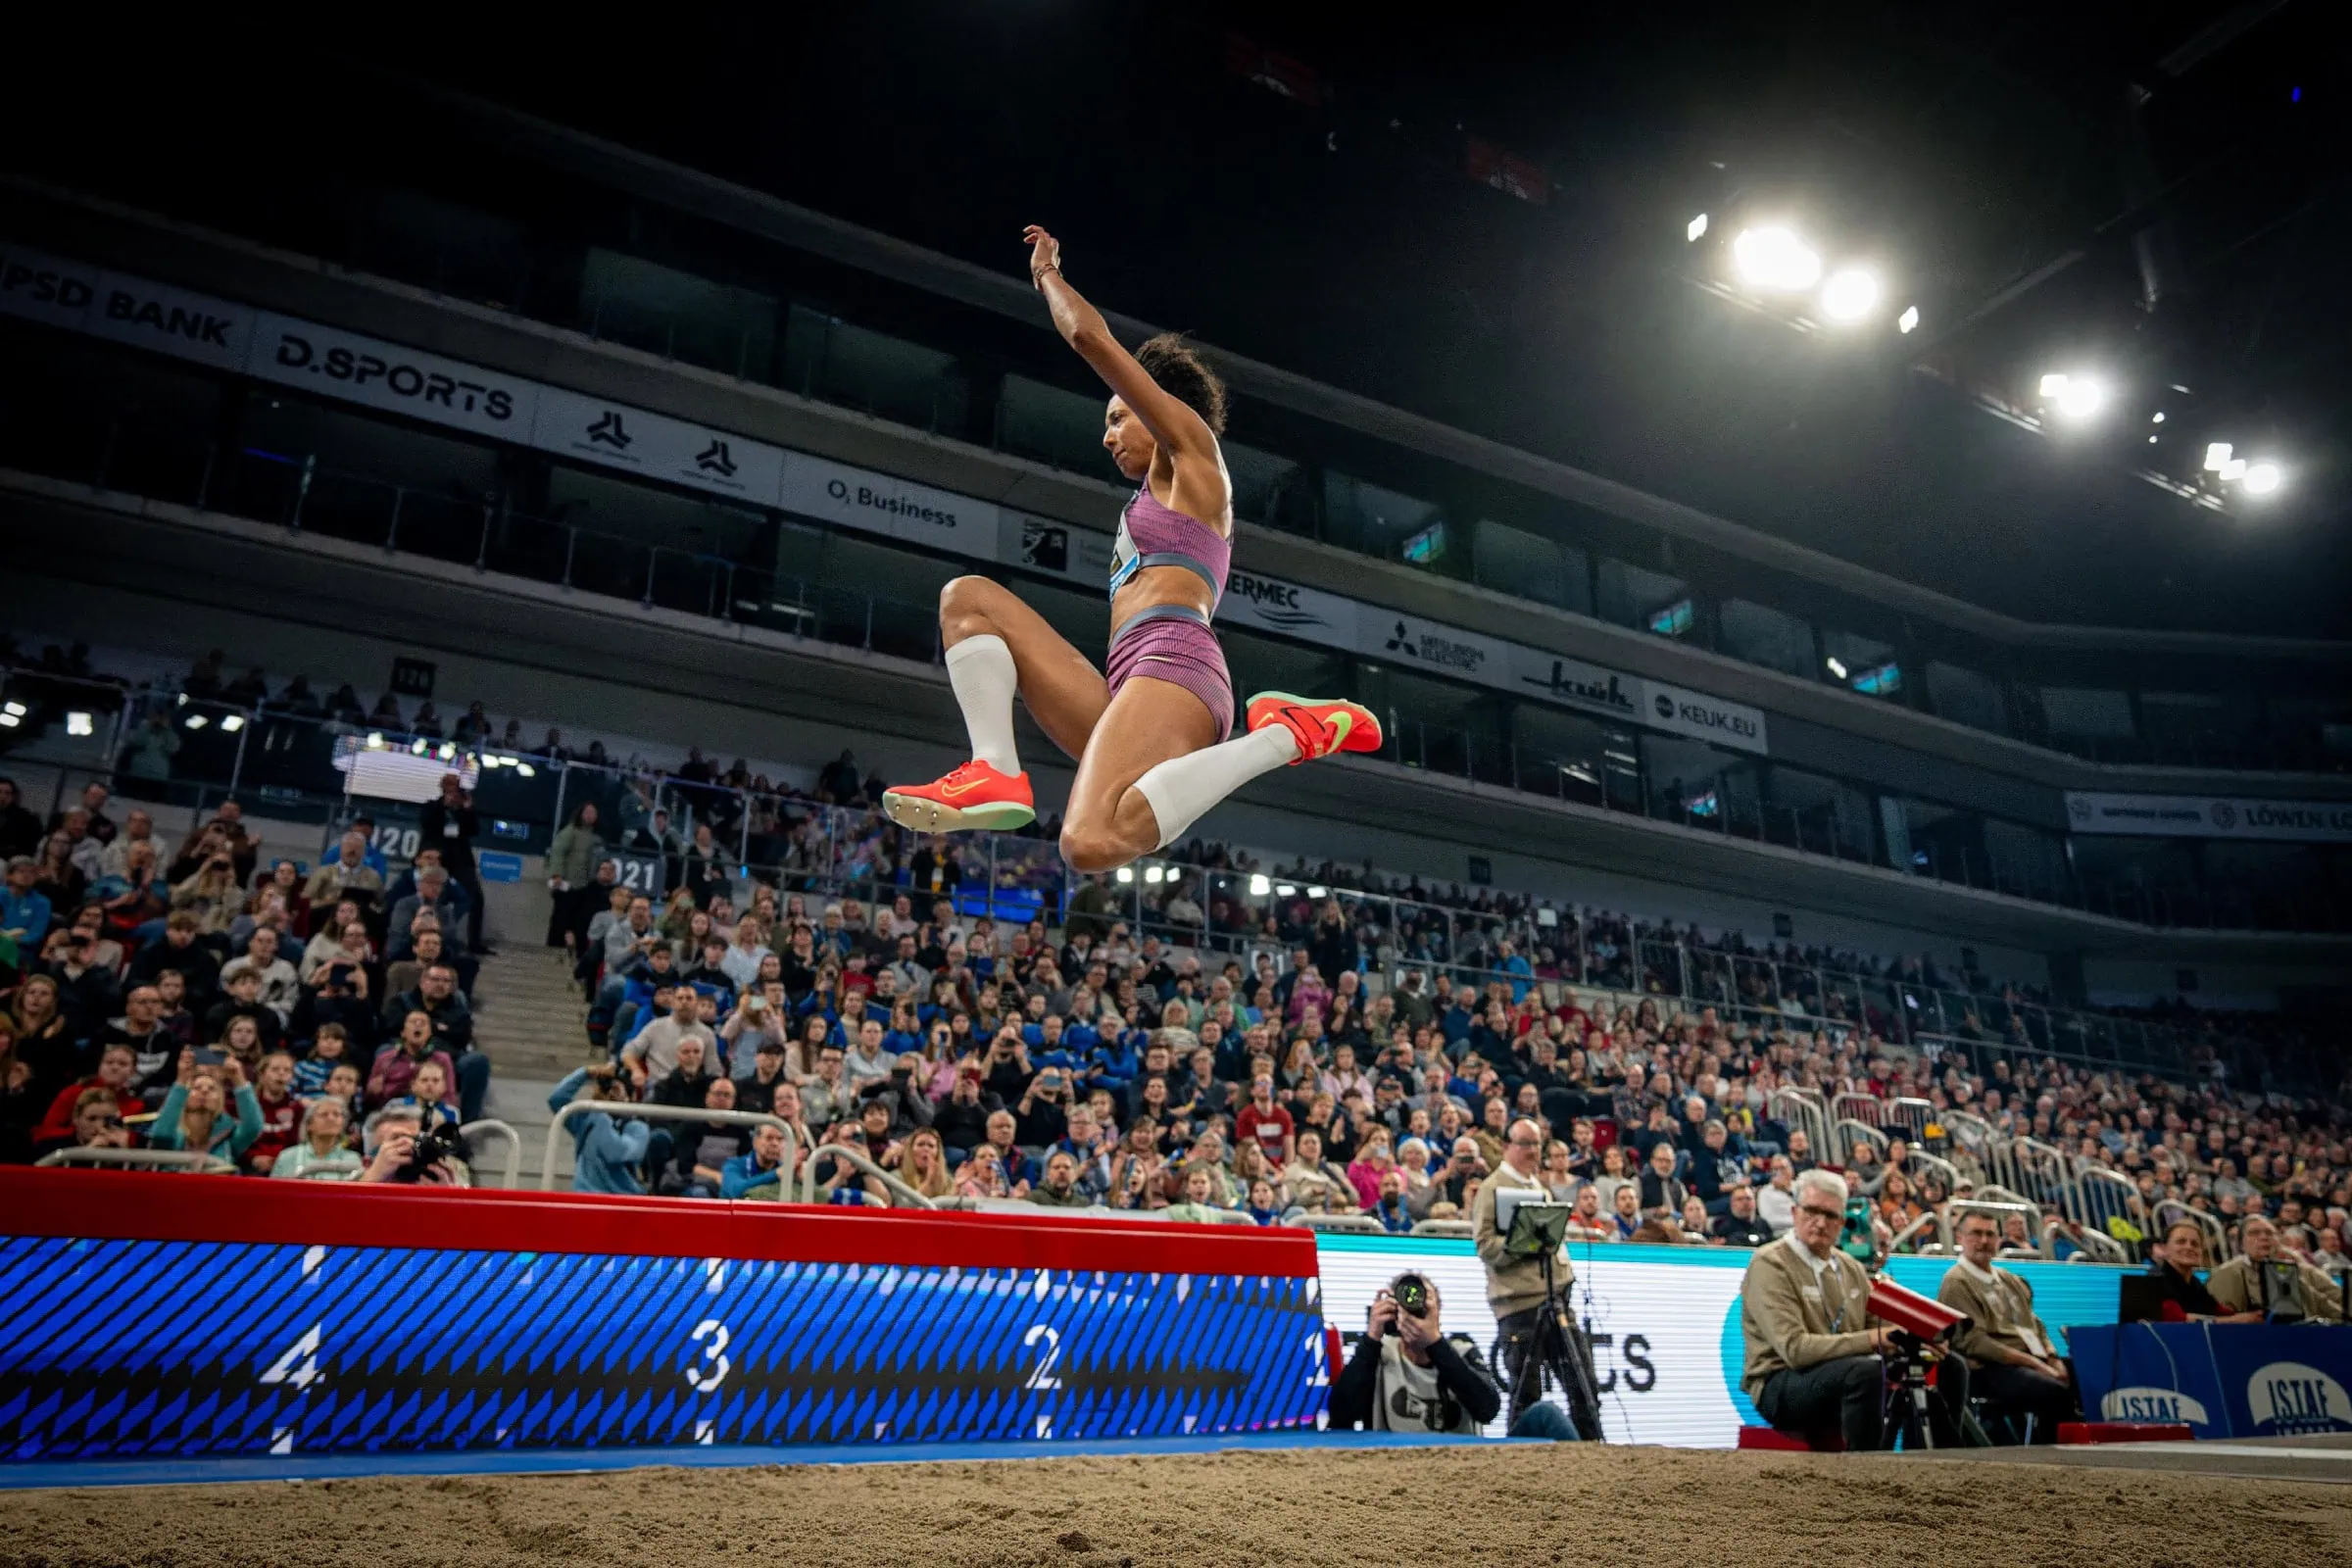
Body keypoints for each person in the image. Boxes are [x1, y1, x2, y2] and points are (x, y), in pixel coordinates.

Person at [881, 225, 1380, 867]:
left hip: (1177, 667)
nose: (1107, 436)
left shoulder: (1192, 456)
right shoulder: (1145, 500)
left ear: (1158, 406)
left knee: (1090, 841)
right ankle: (995, 769)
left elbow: (1089, 338)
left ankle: (1287, 735)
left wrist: (1048, 279)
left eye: (1118, 417)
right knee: (969, 599)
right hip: (1130, 683)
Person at [1740, 1169, 1968, 1450]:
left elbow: (1878, 1326)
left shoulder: (1849, 1266)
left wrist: (1914, 1340)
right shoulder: (1770, 1263)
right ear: (1794, 1211)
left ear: (1842, 1222)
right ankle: (1864, 1475)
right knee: (1865, 1372)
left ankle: (1933, 1468)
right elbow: (1795, 1350)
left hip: (1844, 1369)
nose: (1821, 1222)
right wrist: (1877, 1339)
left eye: (1832, 1215)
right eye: (1811, 1211)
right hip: (1779, 1382)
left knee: (1950, 1365)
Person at [1471, 1117, 1601, 1440]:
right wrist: (1523, 1244)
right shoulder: (1491, 1188)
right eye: (1526, 1144)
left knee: (1583, 1383)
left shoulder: (1537, 1185)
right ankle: (1521, 1460)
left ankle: (1592, 1453)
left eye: (1537, 1144)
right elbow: (1485, 1246)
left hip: (1555, 1297)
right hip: (1519, 1305)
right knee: (1525, 1391)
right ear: (1508, 1146)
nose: (1533, 1151)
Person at [1938, 1209, 2080, 1443]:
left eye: (1990, 1234)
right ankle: (2050, 1460)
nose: (1983, 1241)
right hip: (1989, 1368)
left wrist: (2053, 1357)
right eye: (1976, 1233)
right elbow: (1976, 1343)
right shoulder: (1956, 1282)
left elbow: (2036, 1324)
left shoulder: (2008, 1279)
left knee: (2085, 1375)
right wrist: (2035, 1363)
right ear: (1959, 1237)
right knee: (2053, 1392)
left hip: (2031, 1360)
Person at [1328, 1274, 1527, 1437]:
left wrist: (1435, 1343)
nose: (1416, 1305)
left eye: (1426, 1299)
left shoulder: (1462, 1351)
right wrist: (1371, 1339)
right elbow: (1341, 1416)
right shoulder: (1380, 1355)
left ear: (1438, 1310)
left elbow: (1488, 1410)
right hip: (1390, 1463)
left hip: (1460, 1465)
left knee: (1543, 1414)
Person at [2208, 1214, 2346, 1323]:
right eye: (2254, 1233)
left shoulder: (2303, 1270)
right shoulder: (2228, 1274)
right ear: (2241, 1244)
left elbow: (2339, 1299)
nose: (2263, 1237)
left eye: (2269, 1233)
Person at [418, 772, 486, 954]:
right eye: (449, 787)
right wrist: (443, 807)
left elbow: (474, 830)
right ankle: (425, 931)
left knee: (476, 897)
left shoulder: (463, 810)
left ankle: (474, 942)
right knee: (432, 895)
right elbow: (428, 824)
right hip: (436, 857)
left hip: (460, 858)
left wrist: (467, 810)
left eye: (455, 787)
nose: (452, 791)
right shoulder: (432, 806)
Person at [270, 1097, 363, 1182]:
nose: (331, 1118)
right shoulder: (287, 1157)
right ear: (309, 1125)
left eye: (336, 1114)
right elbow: (272, 1194)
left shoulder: (352, 1159)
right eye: (324, 1114)